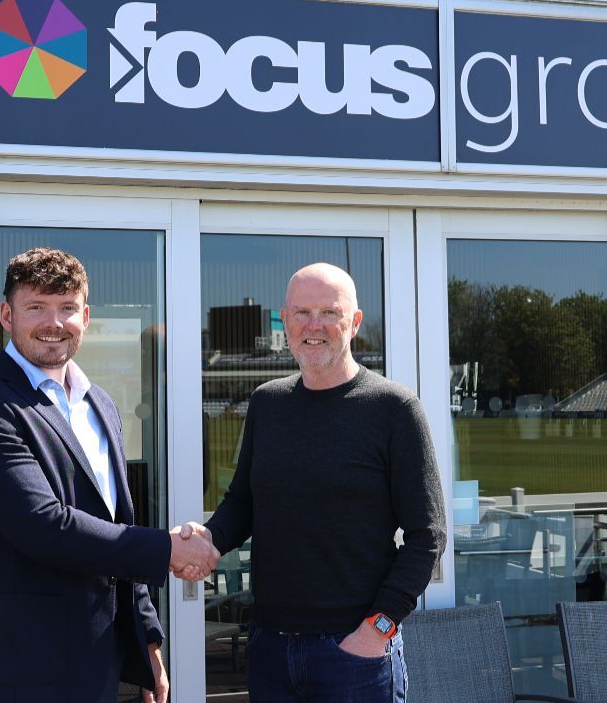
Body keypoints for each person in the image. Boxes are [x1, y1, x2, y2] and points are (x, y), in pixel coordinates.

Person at [0, 247, 217, 703]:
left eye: (66, 308)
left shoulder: (99, 404)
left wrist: (148, 640)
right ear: (7, 315)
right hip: (14, 668)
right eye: (36, 307)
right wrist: (167, 548)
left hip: (94, 664)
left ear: (85, 316)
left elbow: (116, 522)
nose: (54, 322)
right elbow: (43, 525)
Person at [187, 262, 446, 703]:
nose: (314, 326)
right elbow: (244, 501)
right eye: (302, 313)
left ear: (355, 322)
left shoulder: (394, 409)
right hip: (270, 647)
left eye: (329, 313)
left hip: (354, 654)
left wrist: (377, 629)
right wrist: (208, 539)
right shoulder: (267, 403)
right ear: (285, 321)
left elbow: (428, 536)